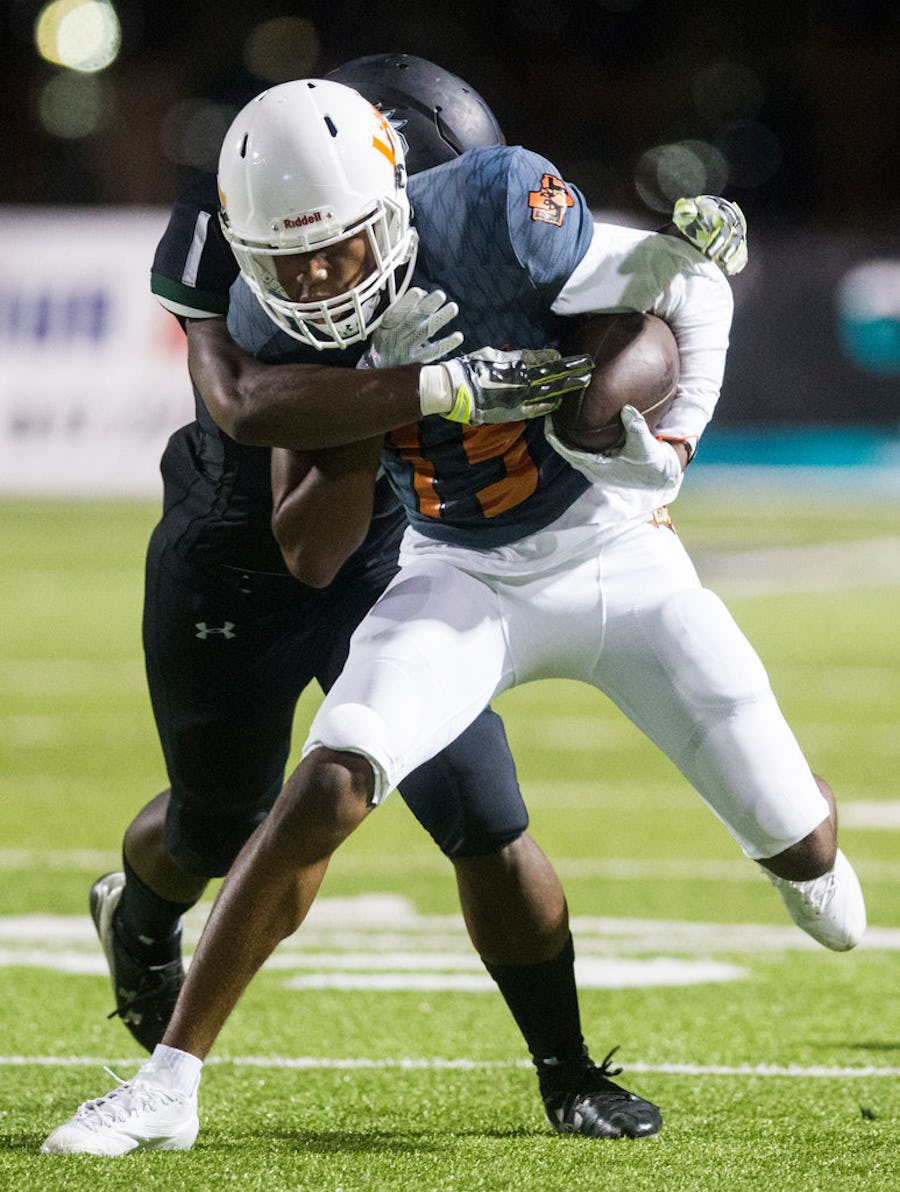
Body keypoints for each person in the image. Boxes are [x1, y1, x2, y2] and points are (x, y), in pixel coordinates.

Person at [39, 77, 798, 1157]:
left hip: (391, 546)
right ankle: (143, 913)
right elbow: (254, 422)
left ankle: (568, 1070)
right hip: (233, 547)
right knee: (219, 823)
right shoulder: (232, 224)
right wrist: (409, 380)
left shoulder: (451, 228)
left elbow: (601, 302)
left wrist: (673, 288)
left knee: (483, 812)